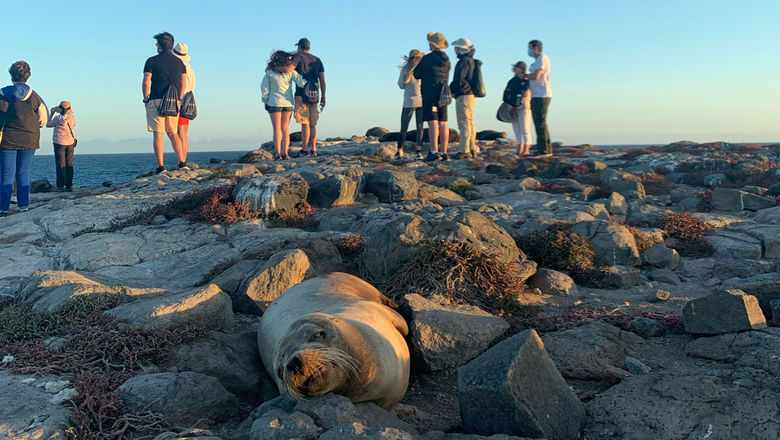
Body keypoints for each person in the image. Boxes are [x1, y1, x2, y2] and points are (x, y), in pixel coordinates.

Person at [0, 61, 48, 217]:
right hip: (29, 138)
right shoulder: (35, 96)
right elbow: (43, 120)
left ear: (11, 75)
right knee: (23, 173)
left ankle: (3, 209)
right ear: (28, 75)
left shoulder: (3, 93)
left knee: (7, 174)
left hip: (8, 138)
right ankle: (24, 207)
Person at [142, 31, 187, 173]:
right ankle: (181, 162)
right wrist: (179, 99)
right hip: (173, 102)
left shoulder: (151, 61)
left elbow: (146, 81)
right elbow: (183, 82)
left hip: (155, 99)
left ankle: (160, 167)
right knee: (173, 133)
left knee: (158, 134)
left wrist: (145, 97)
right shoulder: (179, 62)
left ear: (159, 46)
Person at [261, 51, 307, 160]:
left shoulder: (270, 72)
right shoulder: (290, 72)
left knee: (276, 130)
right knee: (285, 129)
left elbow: (264, 89)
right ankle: (285, 153)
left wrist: (265, 101)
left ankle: (277, 154)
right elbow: (301, 82)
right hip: (288, 103)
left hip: (274, 103)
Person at [414, 32, 451, 162]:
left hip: (430, 92)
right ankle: (444, 152)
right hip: (443, 93)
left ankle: (434, 151)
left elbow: (417, 74)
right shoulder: (446, 59)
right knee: (443, 122)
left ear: (432, 44)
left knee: (432, 122)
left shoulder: (427, 59)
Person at [291, 38, 325, 157]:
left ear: (300, 47)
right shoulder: (317, 60)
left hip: (301, 93)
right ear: (309, 47)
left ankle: (304, 149)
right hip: (314, 94)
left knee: (305, 123)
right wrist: (323, 97)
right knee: (313, 123)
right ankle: (314, 149)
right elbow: (322, 81)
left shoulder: (297, 57)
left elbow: (289, 70)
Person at [450, 38, 479, 159]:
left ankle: (464, 150)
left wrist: (451, 90)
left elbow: (459, 80)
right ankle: (472, 148)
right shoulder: (471, 61)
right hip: (471, 95)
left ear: (461, 49)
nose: (455, 50)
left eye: (456, 48)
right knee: (470, 122)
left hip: (463, 95)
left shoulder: (463, 62)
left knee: (464, 122)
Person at [524, 39, 552, 157]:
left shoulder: (542, 59)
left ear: (536, 48)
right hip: (536, 94)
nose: (529, 50)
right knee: (539, 122)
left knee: (540, 122)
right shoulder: (536, 61)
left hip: (542, 95)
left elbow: (536, 76)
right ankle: (545, 148)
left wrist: (524, 76)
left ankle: (544, 150)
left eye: (530, 48)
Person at [396, 49, 424, 160]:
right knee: (420, 126)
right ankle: (418, 151)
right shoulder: (423, 69)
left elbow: (401, 85)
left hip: (409, 102)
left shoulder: (405, 69)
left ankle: (399, 151)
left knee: (404, 126)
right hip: (422, 100)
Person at [46, 101, 77, 191]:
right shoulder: (72, 118)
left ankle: (60, 185)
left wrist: (51, 114)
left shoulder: (57, 118)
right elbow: (73, 126)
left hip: (59, 142)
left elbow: (48, 124)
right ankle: (69, 185)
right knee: (69, 164)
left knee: (60, 164)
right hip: (70, 142)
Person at [173, 42, 196, 164]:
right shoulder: (191, 69)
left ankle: (181, 161)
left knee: (179, 133)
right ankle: (182, 160)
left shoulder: (180, 68)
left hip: (180, 101)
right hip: (189, 101)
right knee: (184, 134)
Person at [504, 62, 532, 157]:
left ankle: (526, 148)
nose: (514, 69)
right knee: (516, 129)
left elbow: (526, 92)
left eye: (516, 67)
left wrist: (517, 105)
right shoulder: (512, 80)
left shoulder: (527, 80)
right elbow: (507, 93)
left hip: (524, 106)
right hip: (512, 106)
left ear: (521, 69)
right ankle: (519, 147)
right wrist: (510, 105)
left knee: (525, 128)